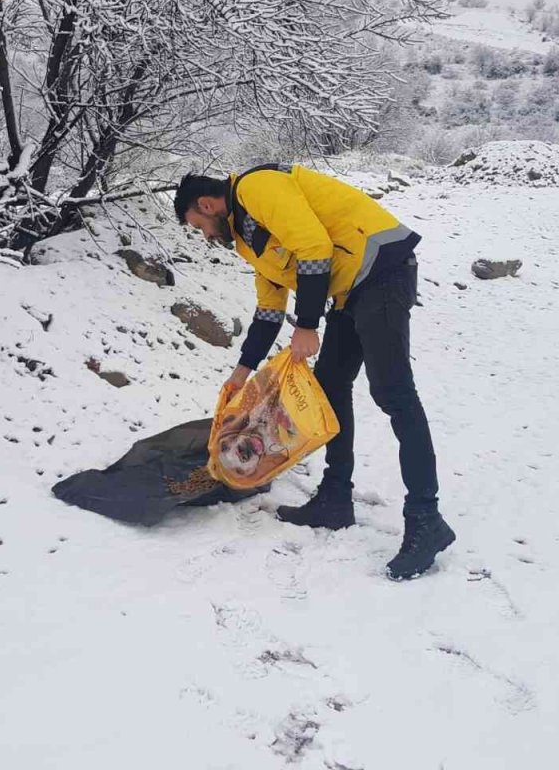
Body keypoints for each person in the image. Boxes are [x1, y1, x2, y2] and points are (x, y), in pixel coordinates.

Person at [174, 163, 455, 581]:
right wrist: (242, 370)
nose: (204, 234)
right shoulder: (248, 238)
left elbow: (314, 247)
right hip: (350, 288)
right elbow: (269, 309)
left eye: (198, 225)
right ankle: (335, 499)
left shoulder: (256, 187)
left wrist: (307, 325)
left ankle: (426, 520)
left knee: (393, 393)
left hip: (382, 270)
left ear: (208, 204)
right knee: (332, 386)